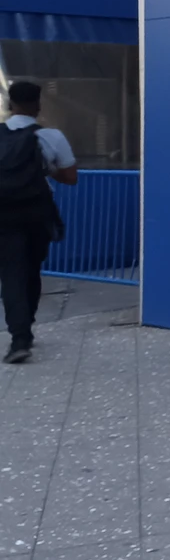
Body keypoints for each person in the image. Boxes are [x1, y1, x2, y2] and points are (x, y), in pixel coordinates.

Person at [0, 80, 77, 364]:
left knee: (11, 274)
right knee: (31, 270)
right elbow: (71, 178)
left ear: (10, 105)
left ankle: (19, 337)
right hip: (36, 212)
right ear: (38, 105)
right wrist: (47, 170)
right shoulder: (51, 136)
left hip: (3, 213)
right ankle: (26, 331)